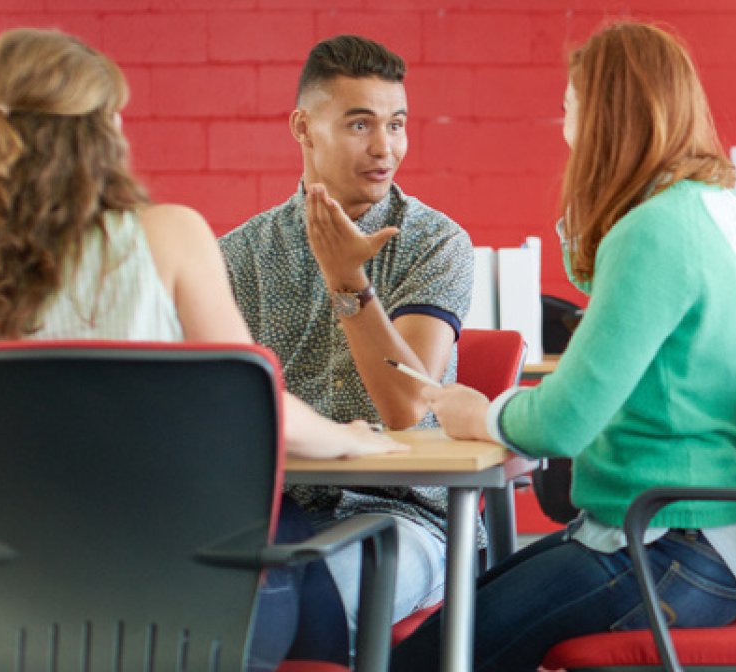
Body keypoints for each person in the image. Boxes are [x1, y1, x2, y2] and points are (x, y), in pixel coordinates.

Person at [0, 28, 403, 671]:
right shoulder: (170, 236)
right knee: (288, 530)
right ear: (101, 132)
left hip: (29, 612)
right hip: (193, 606)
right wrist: (357, 437)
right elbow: (262, 411)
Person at [389, 21, 736, 671]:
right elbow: (637, 326)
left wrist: (475, 412)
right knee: (457, 625)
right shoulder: (719, 211)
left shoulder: (653, 231)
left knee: (428, 659)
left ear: (605, 117)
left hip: (662, 548)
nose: (564, 122)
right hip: (705, 538)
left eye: (571, 105)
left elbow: (564, 422)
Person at [219, 34, 475, 633]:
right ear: (304, 128)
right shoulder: (237, 255)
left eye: (397, 124)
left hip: (403, 515)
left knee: (299, 613)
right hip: (269, 510)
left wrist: (348, 284)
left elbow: (408, 405)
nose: (384, 148)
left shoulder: (435, 243)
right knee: (173, 599)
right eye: (360, 125)